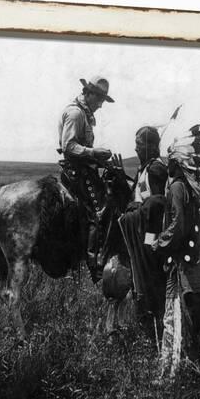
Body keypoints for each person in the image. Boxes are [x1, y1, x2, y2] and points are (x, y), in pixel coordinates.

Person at [151, 125, 200, 377]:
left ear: (178, 164)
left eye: (170, 161)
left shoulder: (177, 188)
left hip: (184, 262)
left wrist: (160, 242)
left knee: (199, 314)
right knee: (197, 313)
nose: (167, 165)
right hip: (195, 258)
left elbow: (178, 225)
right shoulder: (193, 188)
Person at [57, 76, 114, 282]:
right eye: (98, 98)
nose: (100, 104)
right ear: (88, 94)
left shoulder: (83, 113)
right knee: (98, 212)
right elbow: (69, 147)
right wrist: (94, 152)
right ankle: (94, 264)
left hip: (83, 169)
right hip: (77, 172)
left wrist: (98, 160)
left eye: (102, 99)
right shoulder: (75, 113)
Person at [118, 126, 168, 345]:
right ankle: (147, 329)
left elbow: (157, 205)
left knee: (150, 279)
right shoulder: (145, 168)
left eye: (139, 144)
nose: (136, 148)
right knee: (141, 279)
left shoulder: (156, 169)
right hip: (141, 232)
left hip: (150, 235)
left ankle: (155, 331)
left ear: (150, 146)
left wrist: (135, 211)